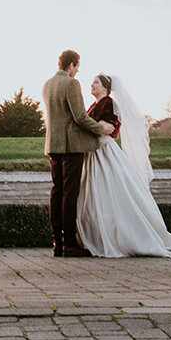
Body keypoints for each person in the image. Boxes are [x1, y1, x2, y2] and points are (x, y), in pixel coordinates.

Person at [77, 72, 171, 258]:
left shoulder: (110, 104)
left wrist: (96, 129)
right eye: (92, 82)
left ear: (105, 87)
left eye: (96, 82)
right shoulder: (94, 105)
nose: (92, 85)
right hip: (93, 153)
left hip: (104, 152)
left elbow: (110, 128)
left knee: (111, 191)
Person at [42, 49, 113, 257]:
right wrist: (101, 129)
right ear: (71, 65)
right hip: (71, 146)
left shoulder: (47, 84)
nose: (78, 71)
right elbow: (80, 117)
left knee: (56, 191)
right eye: (77, 66)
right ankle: (71, 244)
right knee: (69, 193)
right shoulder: (71, 84)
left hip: (53, 145)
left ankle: (57, 242)